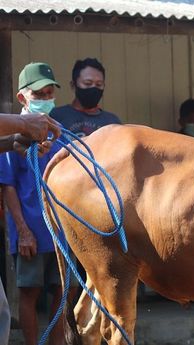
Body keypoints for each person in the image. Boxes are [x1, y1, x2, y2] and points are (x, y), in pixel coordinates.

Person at [0, 62, 73, 345]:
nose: (44, 100)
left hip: (61, 229)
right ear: (22, 98)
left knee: (61, 292)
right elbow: (7, 186)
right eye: (38, 95)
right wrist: (23, 230)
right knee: (29, 292)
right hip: (30, 227)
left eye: (48, 94)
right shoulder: (13, 129)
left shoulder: (57, 130)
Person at [50, 58, 120, 137]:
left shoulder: (112, 122)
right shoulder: (56, 116)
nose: (93, 88)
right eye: (87, 83)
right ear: (73, 85)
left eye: (99, 84)